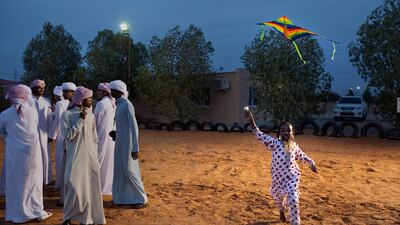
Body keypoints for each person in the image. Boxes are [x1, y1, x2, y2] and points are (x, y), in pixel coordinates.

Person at [245, 109, 317, 225]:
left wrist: (311, 163)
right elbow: (259, 134)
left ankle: (295, 222)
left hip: (291, 179)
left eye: (288, 131)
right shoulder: (275, 143)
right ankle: (281, 210)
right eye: (283, 131)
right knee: (278, 199)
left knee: (293, 200)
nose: (285, 133)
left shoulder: (293, 146)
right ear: (279, 133)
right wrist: (251, 119)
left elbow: (302, 156)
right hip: (277, 180)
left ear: (292, 133)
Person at [0, 85, 52, 223]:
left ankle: (16, 214)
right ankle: (35, 210)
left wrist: (9, 138)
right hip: (32, 154)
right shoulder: (33, 111)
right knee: (33, 182)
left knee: (15, 182)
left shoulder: (4, 115)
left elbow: (2, 131)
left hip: (14, 155)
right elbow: (34, 127)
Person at [61, 86, 106, 225]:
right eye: (89, 98)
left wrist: (96, 154)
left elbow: (94, 138)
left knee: (90, 186)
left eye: (91, 98)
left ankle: (86, 218)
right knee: (73, 185)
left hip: (90, 156)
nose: (91, 100)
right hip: (75, 156)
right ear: (81, 100)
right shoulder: (67, 115)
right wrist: (80, 121)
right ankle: (67, 217)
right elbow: (68, 136)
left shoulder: (91, 115)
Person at [109, 80, 148, 208]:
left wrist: (135, 148)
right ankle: (121, 197)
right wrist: (116, 134)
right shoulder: (119, 104)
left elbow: (133, 126)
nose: (111, 92)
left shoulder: (127, 104)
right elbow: (122, 125)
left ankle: (141, 198)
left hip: (128, 145)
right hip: (120, 143)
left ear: (119, 91)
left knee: (129, 170)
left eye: (113, 90)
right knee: (120, 170)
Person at [49, 82, 76, 206]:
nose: (64, 94)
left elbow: (58, 121)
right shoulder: (74, 103)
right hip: (72, 136)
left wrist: (52, 136)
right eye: (64, 91)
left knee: (61, 160)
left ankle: (60, 184)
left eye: (66, 91)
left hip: (62, 135)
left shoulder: (60, 104)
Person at [30, 79, 53, 185]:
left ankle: (45, 179)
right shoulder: (27, 100)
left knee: (45, 155)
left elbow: (49, 119)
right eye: (40, 88)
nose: (42, 90)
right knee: (32, 156)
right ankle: (33, 179)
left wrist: (51, 134)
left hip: (44, 134)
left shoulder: (46, 101)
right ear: (33, 88)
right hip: (30, 134)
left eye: (43, 88)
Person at [94, 82, 116, 195]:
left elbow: (94, 122)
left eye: (98, 90)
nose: (97, 92)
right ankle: (106, 187)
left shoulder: (101, 104)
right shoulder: (112, 103)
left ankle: (98, 187)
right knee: (108, 162)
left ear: (104, 92)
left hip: (101, 136)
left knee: (99, 161)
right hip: (111, 138)